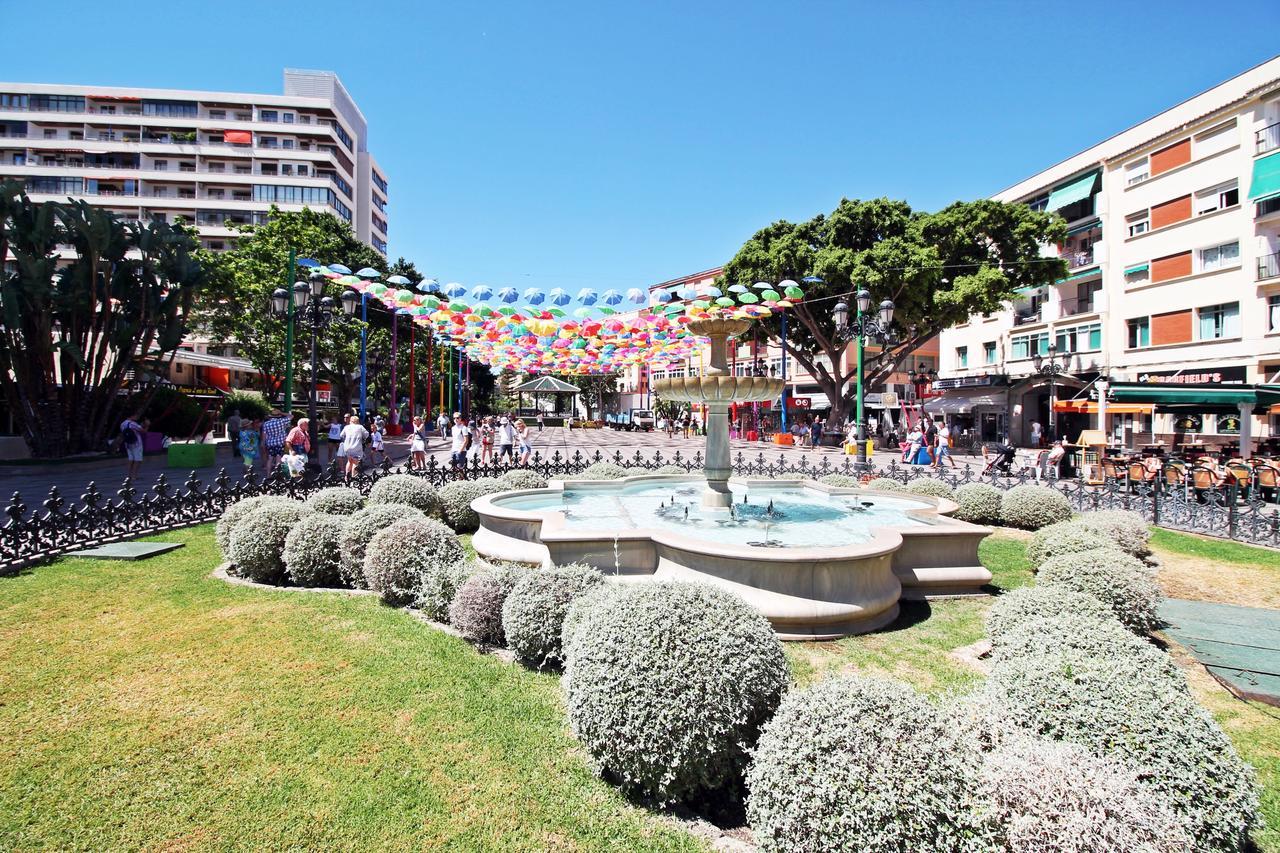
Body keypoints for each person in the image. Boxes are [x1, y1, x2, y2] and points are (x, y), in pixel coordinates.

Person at [338, 414, 368, 479]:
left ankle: (346, 477)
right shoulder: (360, 427)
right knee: (355, 462)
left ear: (351, 421)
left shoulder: (346, 427)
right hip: (356, 447)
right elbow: (366, 434)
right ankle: (353, 477)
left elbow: (341, 435)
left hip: (347, 447)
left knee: (349, 461)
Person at [120, 411, 145, 479]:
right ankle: (134, 476)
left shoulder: (122, 424)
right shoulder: (133, 424)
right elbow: (142, 430)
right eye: (135, 415)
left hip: (128, 443)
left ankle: (129, 475)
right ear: (131, 416)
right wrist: (146, 425)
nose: (137, 417)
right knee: (138, 459)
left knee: (131, 459)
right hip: (136, 443)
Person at [450, 412, 471, 478]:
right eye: (454, 418)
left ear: (460, 418)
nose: (455, 419)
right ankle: (457, 481)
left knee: (460, 468)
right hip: (454, 449)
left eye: (457, 418)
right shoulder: (453, 428)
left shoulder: (463, 428)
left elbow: (466, 440)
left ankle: (462, 481)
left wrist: (460, 450)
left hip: (461, 450)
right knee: (454, 467)